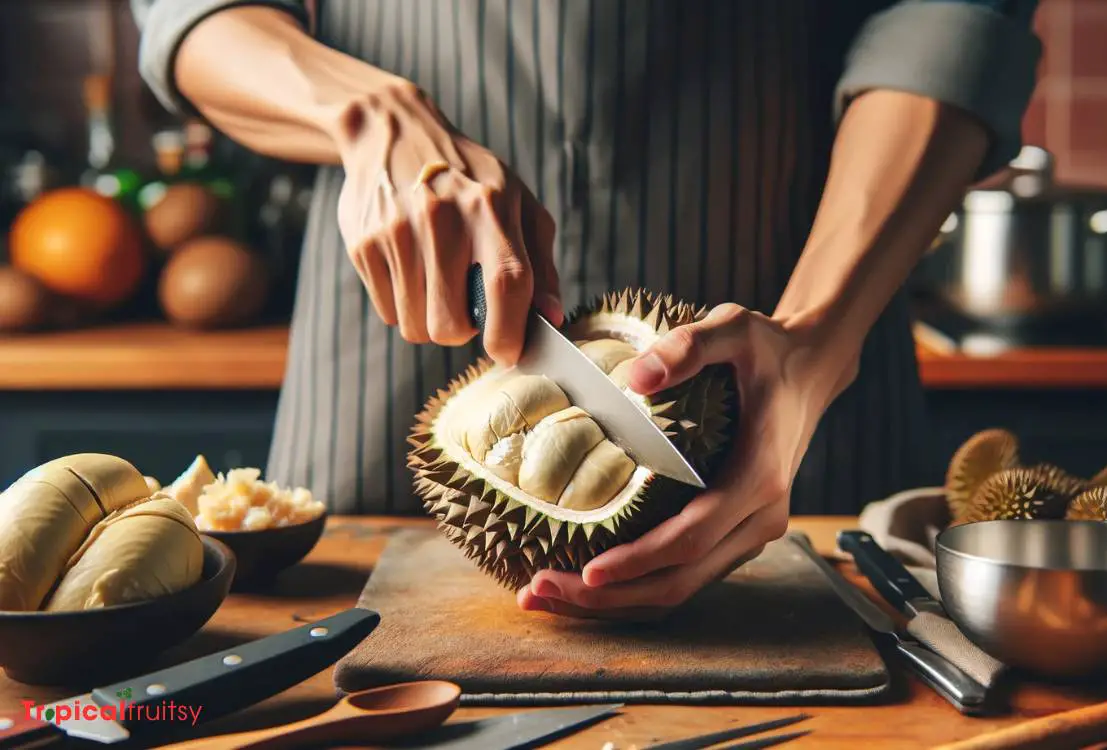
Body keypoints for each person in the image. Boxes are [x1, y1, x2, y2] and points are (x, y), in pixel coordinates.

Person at [130, 0, 1041, 619]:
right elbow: (189, 15)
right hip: (400, 321)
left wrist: (816, 333)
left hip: (799, 324)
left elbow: (953, 18)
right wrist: (362, 109)